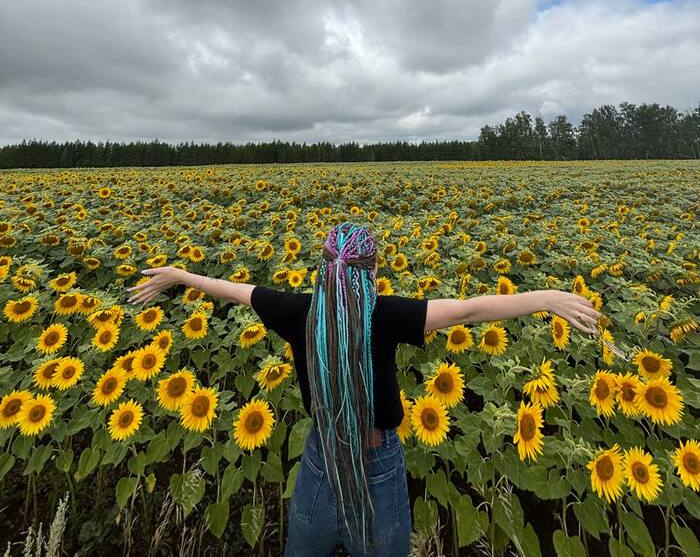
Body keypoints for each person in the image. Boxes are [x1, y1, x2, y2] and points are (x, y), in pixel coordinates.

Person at [126, 222, 602, 556]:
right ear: (372, 271)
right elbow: (466, 310)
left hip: (320, 458)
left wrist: (179, 276)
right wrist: (544, 298)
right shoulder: (386, 314)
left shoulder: (297, 311)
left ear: (323, 269)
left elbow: (232, 289)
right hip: (378, 464)